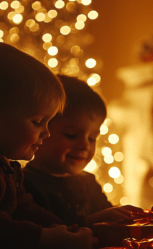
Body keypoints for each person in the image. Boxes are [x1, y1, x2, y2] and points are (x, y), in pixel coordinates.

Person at [0, 43, 94, 249]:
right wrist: (43, 238)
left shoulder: (9, 169)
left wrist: (63, 229)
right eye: (37, 121)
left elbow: (24, 207)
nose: (47, 132)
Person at [23, 74, 142, 228]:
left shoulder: (88, 183)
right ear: (41, 130)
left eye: (92, 138)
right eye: (71, 135)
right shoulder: (26, 185)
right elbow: (49, 236)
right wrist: (93, 223)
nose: (85, 146)